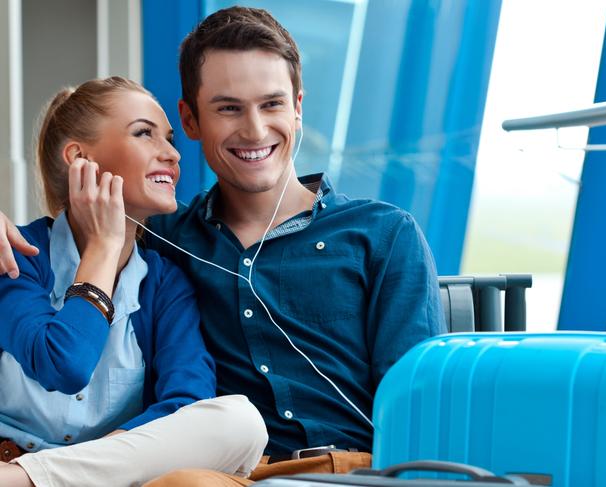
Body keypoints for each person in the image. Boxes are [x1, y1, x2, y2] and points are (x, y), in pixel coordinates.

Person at [0, 6, 446, 487]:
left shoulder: (382, 234)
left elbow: (416, 405)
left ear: (298, 107)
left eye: (272, 104)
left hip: (354, 472)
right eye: (229, 108)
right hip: (228, 473)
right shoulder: (164, 242)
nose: (254, 130)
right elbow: (86, 238)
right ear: (191, 120)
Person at [0, 77, 267, 487]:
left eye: (170, 139)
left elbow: (188, 401)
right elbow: (63, 364)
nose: (173, 153)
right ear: (79, 158)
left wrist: (92, 465)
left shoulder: (165, 283)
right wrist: (105, 246)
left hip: (87, 478)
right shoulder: (17, 255)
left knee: (241, 423)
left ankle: (25, 479)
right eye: (144, 133)